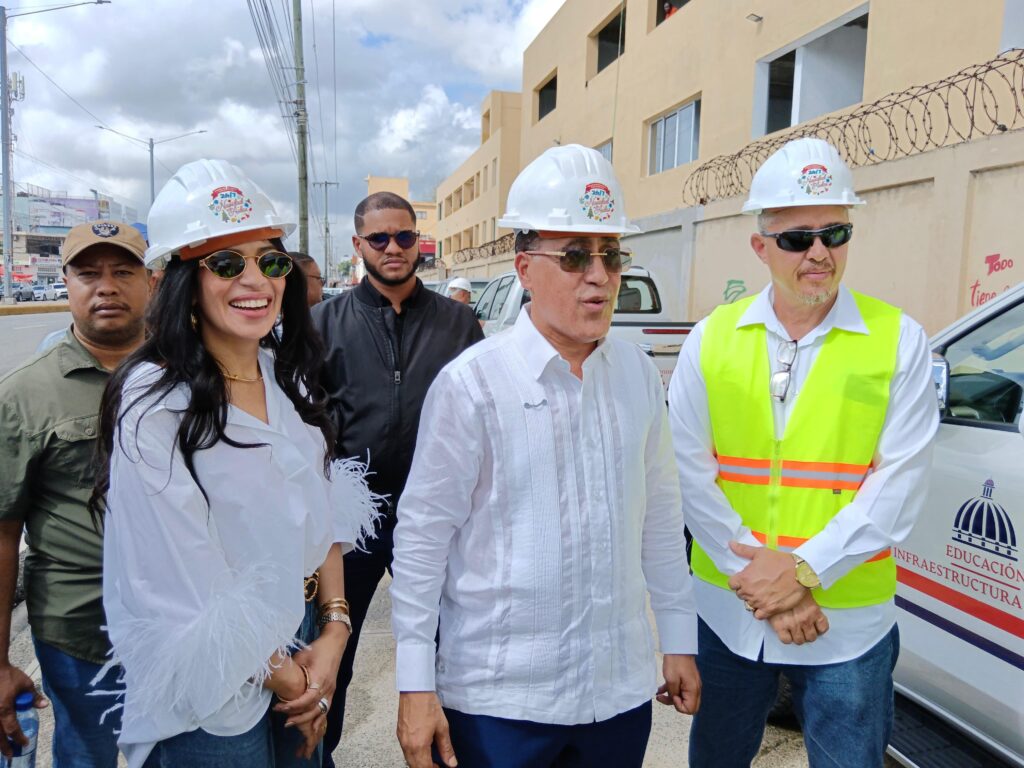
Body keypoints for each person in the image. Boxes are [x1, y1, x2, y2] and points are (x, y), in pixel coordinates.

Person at [391, 144, 701, 768]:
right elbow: (423, 540)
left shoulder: (638, 376)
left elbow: (662, 519)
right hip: (501, 705)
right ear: (525, 267)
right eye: (576, 256)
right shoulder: (472, 385)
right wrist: (415, 683)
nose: (600, 275)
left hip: (617, 694)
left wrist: (678, 637)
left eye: (611, 254)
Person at [91, 160, 378, 768]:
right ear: (180, 281)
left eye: (270, 261)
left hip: (302, 633)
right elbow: (182, 574)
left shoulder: (286, 377)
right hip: (215, 674)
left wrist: (333, 631)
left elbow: (324, 507)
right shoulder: (153, 404)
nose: (256, 280)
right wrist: (292, 680)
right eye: (225, 263)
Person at [669, 137, 939, 768]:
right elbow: (686, 472)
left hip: (845, 625)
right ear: (760, 246)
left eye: (835, 234)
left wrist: (802, 573)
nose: (820, 253)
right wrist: (761, 582)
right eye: (797, 238)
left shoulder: (898, 340)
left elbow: (898, 486)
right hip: (731, 615)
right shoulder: (712, 339)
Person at [311, 191, 483, 766]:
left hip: (439, 517)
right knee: (334, 650)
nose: (393, 248)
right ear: (358, 244)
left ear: (418, 242)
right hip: (352, 521)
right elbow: (304, 419)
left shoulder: (458, 323)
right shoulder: (323, 323)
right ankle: (318, 755)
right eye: (379, 238)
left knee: (449, 649)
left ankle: (448, 756)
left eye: (405, 236)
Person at [0, 221, 151, 767]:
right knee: (87, 756)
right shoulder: (25, 394)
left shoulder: (192, 372)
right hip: (80, 630)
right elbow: (3, 532)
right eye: (88, 274)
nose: (106, 286)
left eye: (123, 271)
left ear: (151, 281)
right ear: (66, 283)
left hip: (185, 621)